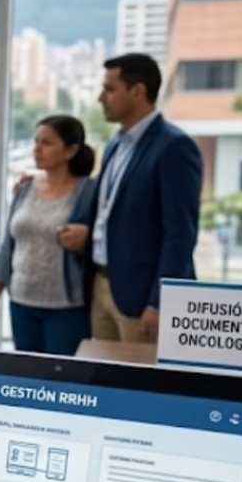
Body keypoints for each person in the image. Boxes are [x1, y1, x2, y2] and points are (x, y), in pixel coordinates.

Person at [68, 53, 202, 343]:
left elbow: (180, 235)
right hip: (102, 286)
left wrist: (159, 302)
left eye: (109, 88)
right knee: (103, 384)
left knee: (142, 385)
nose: (100, 98)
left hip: (142, 301)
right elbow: (114, 213)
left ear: (137, 91)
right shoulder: (116, 142)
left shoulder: (175, 147)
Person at [0, 115, 95, 355]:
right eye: (36, 141)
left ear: (70, 150)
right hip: (22, 303)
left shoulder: (88, 192)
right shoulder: (25, 189)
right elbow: (7, 247)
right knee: (28, 381)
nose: (37, 149)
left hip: (67, 308)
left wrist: (86, 239)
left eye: (46, 143)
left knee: (64, 382)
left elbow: (104, 241)